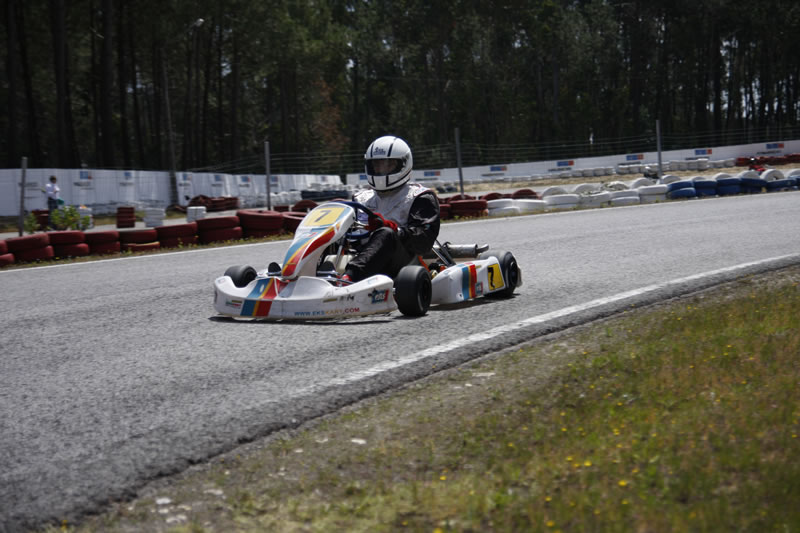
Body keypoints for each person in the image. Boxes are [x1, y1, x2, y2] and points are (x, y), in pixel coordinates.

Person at [342, 135, 440, 283]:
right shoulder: (360, 199)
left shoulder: (419, 197)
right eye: (377, 165)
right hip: (362, 257)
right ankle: (307, 275)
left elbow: (424, 240)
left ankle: (349, 279)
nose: (381, 170)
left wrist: (396, 231)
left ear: (403, 164)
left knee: (385, 234)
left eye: (388, 165)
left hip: (402, 264)